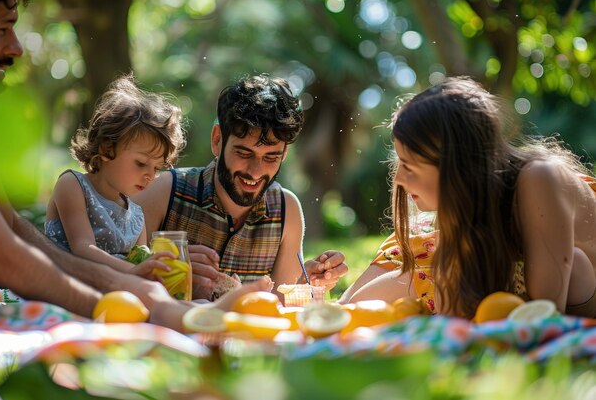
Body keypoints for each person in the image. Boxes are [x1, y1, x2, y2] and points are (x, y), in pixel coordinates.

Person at [0, 0, 272, 332]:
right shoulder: (74, 185)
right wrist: (134, 308)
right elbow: (5, 260)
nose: (17, 48)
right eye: (3, 29)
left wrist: (142, 290)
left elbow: (13, 227)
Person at [340, 76, 596, 319]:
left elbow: (543, 312)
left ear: (453, 163)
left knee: (576, 267)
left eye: (409, 166)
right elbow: (459, 310)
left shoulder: (539, 179)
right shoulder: (468, 207)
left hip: (579, 288)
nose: (398, 180)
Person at [136, 74, 348, 300]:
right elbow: (117, 278)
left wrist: (308, 285)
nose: (255, 172)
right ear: (217, 140)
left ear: (284, 153)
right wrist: (166, 276)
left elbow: (279, 306)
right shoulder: (163, 192)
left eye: (271, 157)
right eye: (244, 153)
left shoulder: (287, 211)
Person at [45, 74, 182, 280]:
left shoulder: (136, 216)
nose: (150, 176)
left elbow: (140, 263)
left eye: (158, 168)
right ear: (107, 149)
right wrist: (134, 271)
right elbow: (83, 248)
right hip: (63, 288)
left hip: (111, 294)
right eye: (141, 163)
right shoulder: (73, 185)